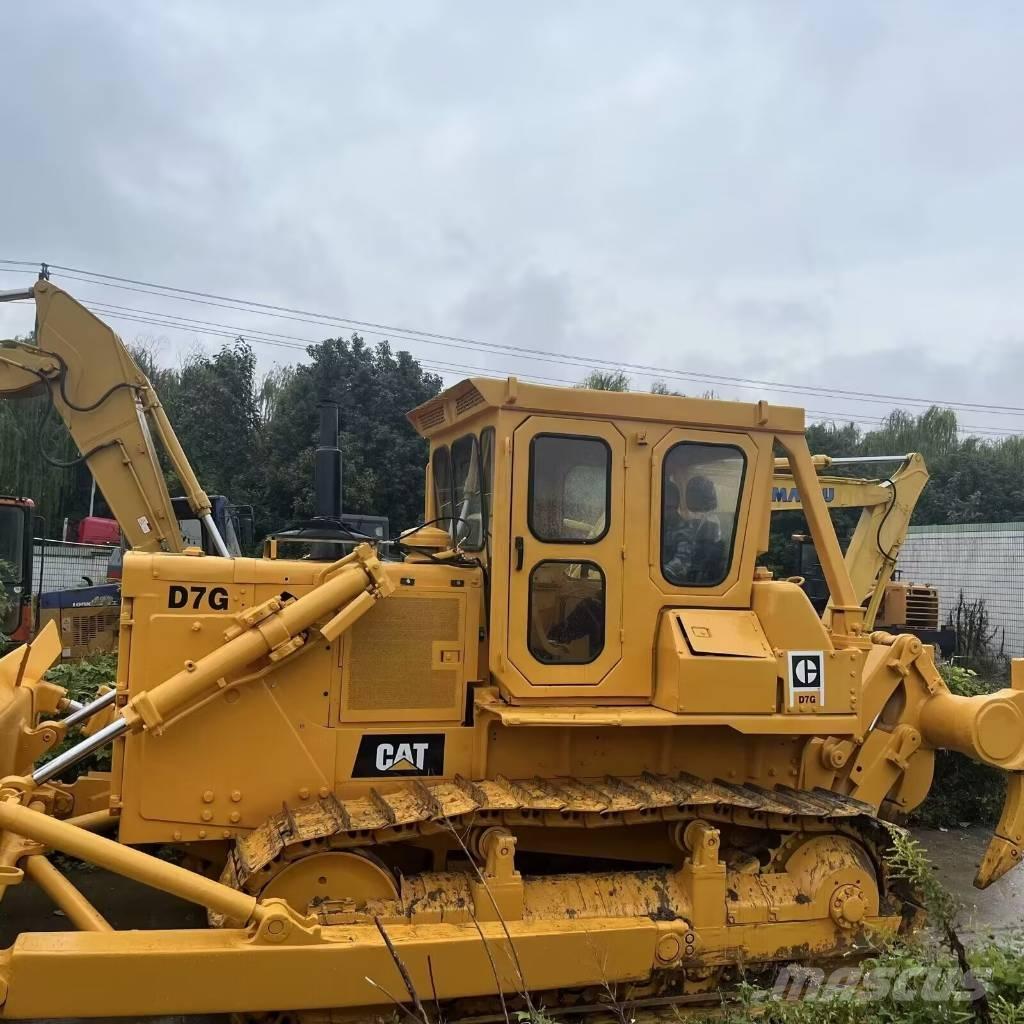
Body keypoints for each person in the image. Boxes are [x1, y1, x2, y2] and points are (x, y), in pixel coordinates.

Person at [663, 474, 723, 584]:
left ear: (676, 505)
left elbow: (681, 563)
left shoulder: (683, 530)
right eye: (663, 507)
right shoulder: (664, 526)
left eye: (669, 507)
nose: (666, 512)